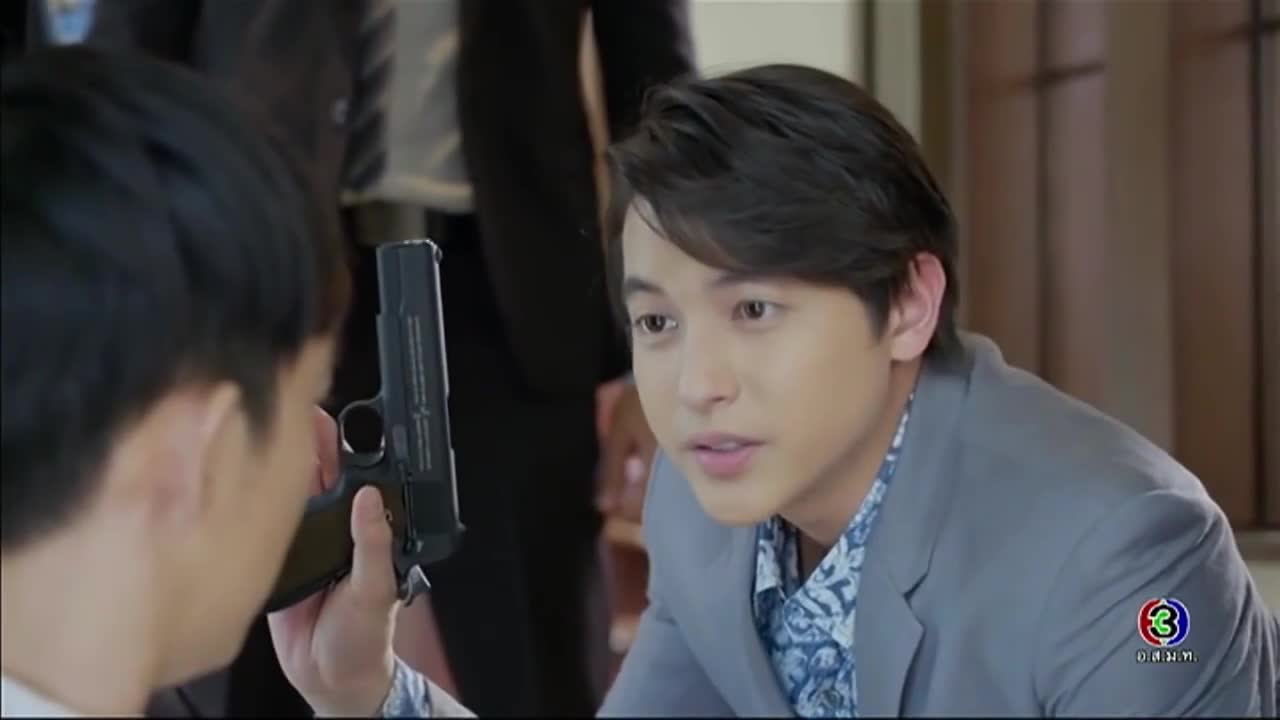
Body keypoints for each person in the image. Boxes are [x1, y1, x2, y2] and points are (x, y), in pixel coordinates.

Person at [294, 63, 1280, 717]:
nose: (696, 386)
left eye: (755, 310)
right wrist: (367, 692)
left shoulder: (1124, 557)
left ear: (907, 304)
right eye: (657, 323)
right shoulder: (701, 507)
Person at [75, 1, 687, 714]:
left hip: (508, 298)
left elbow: (655, 92)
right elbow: (121, 79)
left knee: (532, 660)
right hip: (260, 279)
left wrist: (652, 356)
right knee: (240, 655)